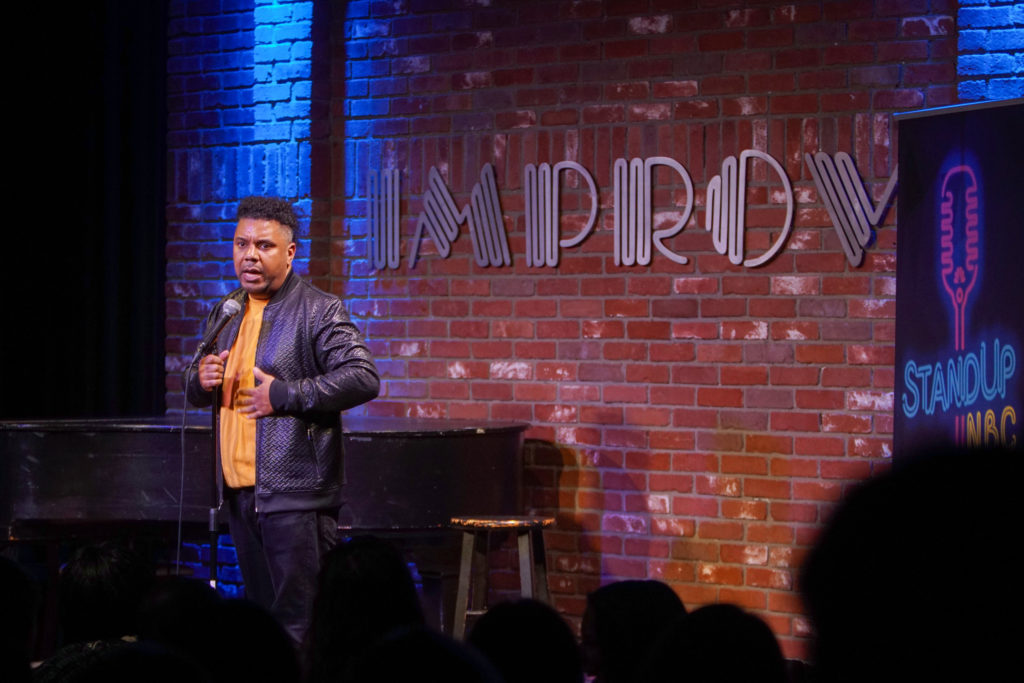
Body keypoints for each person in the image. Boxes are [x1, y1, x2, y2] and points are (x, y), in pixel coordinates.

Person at [185, 196, 379, 646]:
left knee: (302, 626)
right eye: (241, 244)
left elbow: (364, 377)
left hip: (294, 497)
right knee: (263, 625)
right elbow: (196, 387)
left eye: (264, 246)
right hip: (239, 495)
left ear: (290, 253)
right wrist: (201, 380)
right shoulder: (228, 311)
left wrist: (286, 394)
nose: (249, 255)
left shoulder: (319, 310)